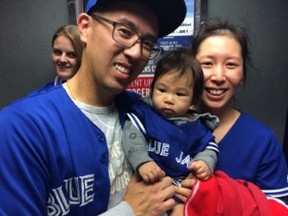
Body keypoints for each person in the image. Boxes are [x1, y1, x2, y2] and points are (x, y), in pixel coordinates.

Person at [0, 0, 188, 215]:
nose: (136, 52)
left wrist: (182, 189)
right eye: (125, 32)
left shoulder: (142, 112)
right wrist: (129, 211)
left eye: (147, 43)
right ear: (85, 28)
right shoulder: (20, 128)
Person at [190, 17, 288, 202]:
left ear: (242, 75)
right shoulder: (162, 123)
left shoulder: (262, 142)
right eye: (207, 63)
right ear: (190, 69)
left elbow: (278, 208)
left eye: (231, 65)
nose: (218, 76)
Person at [122, 48, 219, 187]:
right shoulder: (144, 113)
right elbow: (131, 137)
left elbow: (210, 148)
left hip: (180, 186)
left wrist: (204, 162)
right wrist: (142, 161)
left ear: (194, 99)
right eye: (162, 90)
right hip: (146, 182)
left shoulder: (197, 126)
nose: (168, 99)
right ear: (152, 88)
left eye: (179, 94)